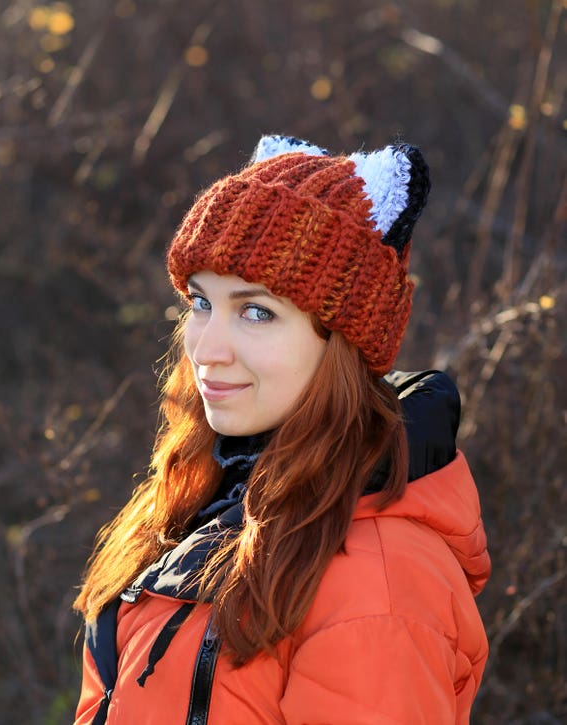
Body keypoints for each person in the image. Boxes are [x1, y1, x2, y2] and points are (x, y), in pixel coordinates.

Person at [73, 134, 491, 724]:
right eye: (200, 302)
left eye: (256, 311)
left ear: (343, 342)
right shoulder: (208, 499)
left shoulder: (381, 581)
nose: (206, 349)